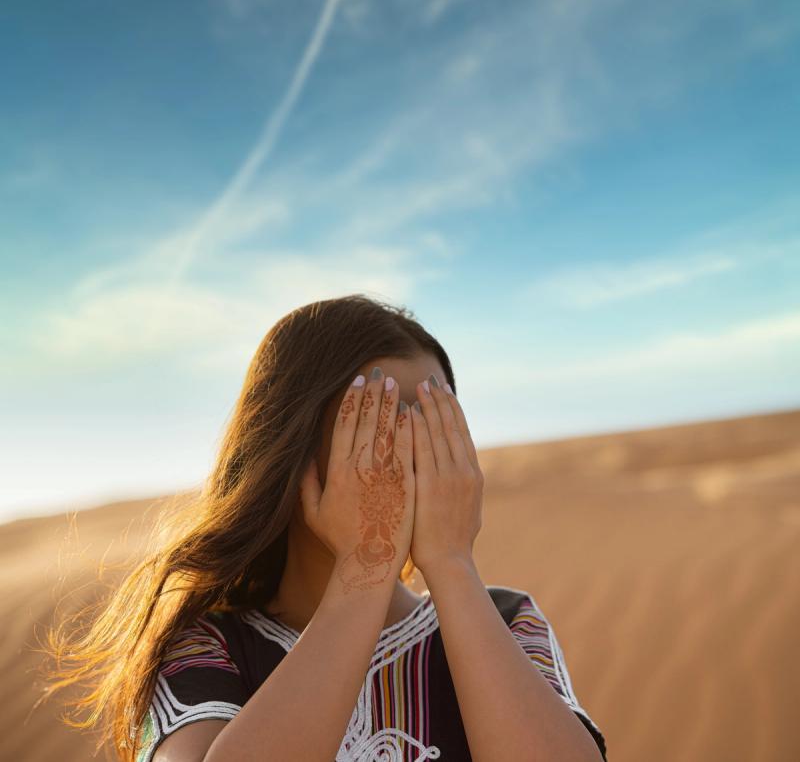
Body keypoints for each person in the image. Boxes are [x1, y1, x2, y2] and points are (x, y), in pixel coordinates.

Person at [38, 294, 607, 762]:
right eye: (378, 426)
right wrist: (365, 565)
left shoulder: (506, 621)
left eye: (437, 426)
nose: (412, 454)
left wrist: (454, 565)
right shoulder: (207, 644)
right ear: (291, 455)